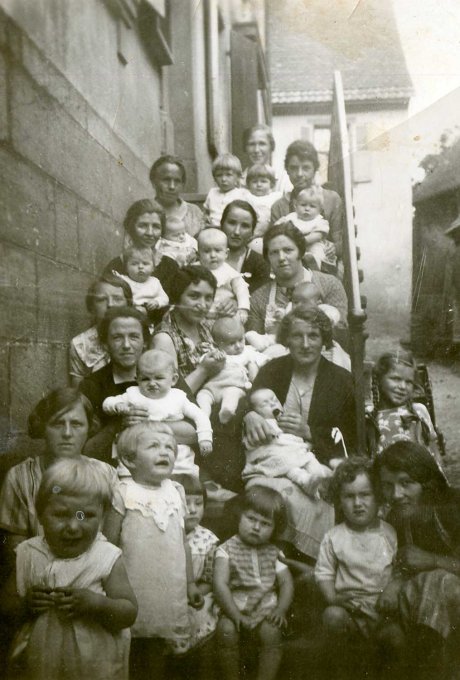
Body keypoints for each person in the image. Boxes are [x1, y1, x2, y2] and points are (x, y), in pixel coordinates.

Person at [3, 458, 137, 680]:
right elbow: (6, 608)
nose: (74, 526)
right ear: (41, 514)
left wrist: (97, 604)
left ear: (102, 517)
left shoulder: (106, 557)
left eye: (86, 516)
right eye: (61, 515)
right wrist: (26, 604)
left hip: (95, 666)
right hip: (39, 664)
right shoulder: (27, 553)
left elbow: (129, 612)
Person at [243, 307, 356, 558]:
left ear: (324, 340)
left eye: (313, 336)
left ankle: (300, 563)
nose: (305, 344)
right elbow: (249, 403)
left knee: (298, 498)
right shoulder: (273, 371)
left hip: (319, 467)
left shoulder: (341, 380)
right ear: (287, 339)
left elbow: (353, 439)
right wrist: (250, 416)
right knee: (268, 494)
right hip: (274, 464)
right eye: (297, 336)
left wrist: (311, 431)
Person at [110, 423, 203, 679]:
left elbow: (182, 542)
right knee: (133, 642)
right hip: (134, 585)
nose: (165, 453)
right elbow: (107, 544)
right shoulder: (123, 492)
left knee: (158, 646)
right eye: (154, 446)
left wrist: (190, 582)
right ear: (129, 459)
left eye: (170, 448)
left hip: (168, 587)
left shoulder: (176, 491)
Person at [0, 388, 124, 571]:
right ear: (43, 427)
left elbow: (112, 546)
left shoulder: (107, 475)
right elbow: (15, 552)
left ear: (89, 428)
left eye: (76, 424)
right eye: (58, 424)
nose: (67, 433)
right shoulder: (20, 477)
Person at [374, 442, 460, 674]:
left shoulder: (453, 505)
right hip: (428, 611)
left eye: (406, 483)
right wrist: (397, 582)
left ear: (426, 480)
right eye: (387, 486)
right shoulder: (398, 516)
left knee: (440, 581)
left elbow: (429, 567)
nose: (396, 494)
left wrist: (433, 560)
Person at [81, 307, 197, 465]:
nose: (126, 345)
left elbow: (195, 432)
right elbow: (87, 449)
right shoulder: (92, 386)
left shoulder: (165, 377)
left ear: (145, 342)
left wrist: (148, 424)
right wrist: (120, 425)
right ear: (105, 344)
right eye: (117, 337)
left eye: (134, 337)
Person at [315, 459, 399, 659]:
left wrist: (392, 590)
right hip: (349, 611)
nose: (358, 503)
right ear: (339, 501)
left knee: (396, 638)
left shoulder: (389, 533)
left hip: (383, 612)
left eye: (365, 495)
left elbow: (399, 569)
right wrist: (333, 598)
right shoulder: (334, 537)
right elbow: (324, 573)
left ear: (378, 497)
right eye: (349, 496)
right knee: (332, 616)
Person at [214, 486, 294, 680]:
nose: (256, 527)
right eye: (251, 519)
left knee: (271, 633)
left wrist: (281, 610)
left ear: (275, 528)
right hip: (234, 606)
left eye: (265, 524)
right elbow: (220, 584)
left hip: (266, 609)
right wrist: (234, 614)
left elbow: (286, 583)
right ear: (239, 516)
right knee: (226, 631)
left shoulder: (274, 552)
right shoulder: (226, 550)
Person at [103, 349, 213, 470]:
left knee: (182, 469)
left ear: (174, 379)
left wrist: (205, 439)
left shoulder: (178, 397)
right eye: (145, 379)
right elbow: (107, 402)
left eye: (159, 378)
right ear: (137, 379)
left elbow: (200, 416)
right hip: (139, 451)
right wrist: (117, 405)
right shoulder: (133, 394)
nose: (152, 383)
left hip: (172, 451)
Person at [247, 223, 348, 339]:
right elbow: (254, 343)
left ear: (301, 252)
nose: (281, 258)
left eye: (288, 250)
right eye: (274, 252)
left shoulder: (329, 284)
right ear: (267, 258)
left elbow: (340, 334)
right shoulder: (258, 299)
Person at [242, 388, 331, 496]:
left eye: (274, 400)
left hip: (295, 453)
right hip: (274, 457)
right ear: (255, 412)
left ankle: (324, 479)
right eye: (264, 404)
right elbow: (259, 441)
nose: (272, 404)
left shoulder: (285, 420)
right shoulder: (263, 424)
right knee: (290, 467)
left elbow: (293, 439)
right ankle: (306, 482)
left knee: (311, 461)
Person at [169, 475, 219, 662]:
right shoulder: (166, 536)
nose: (192, 510)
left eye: (198, 503)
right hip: (170, 596)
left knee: (202, 622)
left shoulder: (208, 540)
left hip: (198, 596)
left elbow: (209, 578)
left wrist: (194, 594)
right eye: (185, 504)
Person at [270, 140, 343, 262]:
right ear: (287, 170)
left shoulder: (331, 199)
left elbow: (341, 241)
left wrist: (334, 248)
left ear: (315, 169)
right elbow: (274, 244)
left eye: (306, 168)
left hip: (324, 263)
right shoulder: (279, 206)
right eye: (293, 168)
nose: (299, 174)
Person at [367, 351, 441, 462]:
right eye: (396, 379)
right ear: (379, 379)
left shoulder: (419, 411)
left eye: (409, 382)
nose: (402, 386)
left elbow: (434, 453)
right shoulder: (370, 416)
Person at [103, 200, 180, 304]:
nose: (150, 233)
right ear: (131, 227)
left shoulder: (170, 266)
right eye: (143, 226)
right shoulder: (116, 266)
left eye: (156, 227)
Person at [69, 273, 133, 386]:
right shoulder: (80, 344)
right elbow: (77, 392)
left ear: (128, 304)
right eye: (101, 300)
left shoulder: (143, 337)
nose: (110, 304)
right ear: (91, 307)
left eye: (117, 299)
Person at [196, 317, 262, 424]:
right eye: (231, 343)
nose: (238, 346)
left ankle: (226, 411)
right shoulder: (215, 353)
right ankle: (203, 418)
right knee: (202, 396)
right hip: (212, 388)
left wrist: (253, 366)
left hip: (233, 387)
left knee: (233, 395)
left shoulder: (248, 353)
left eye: (241, 340)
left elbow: (262, 360)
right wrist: (214, 357)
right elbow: (203, 362)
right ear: (218, 344)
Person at [197, 228, 250, 325]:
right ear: (198, 254)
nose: (213, 255)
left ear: (226, 253)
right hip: (200, 316)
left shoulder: (229, 272)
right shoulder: (194, 270)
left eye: (217, 250)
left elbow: (241, 290)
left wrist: (243, 308)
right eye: (207, 251)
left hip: (225, 314)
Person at [276, 185, 333, 271]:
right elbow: (278, 226)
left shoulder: (320, 221)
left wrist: (301, 241)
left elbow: (318, 235)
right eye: (303, 205)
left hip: (311, 244)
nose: (307, 208)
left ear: (320, 210)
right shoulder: (291, 217)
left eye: (312, 206)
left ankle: (315, 266)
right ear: (295, 206)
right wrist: (278, 224)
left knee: (318, 251)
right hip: (293, 244)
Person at [220, 200, 270, 294]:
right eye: (232, 223)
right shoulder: (206, 256)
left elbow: (259, 298)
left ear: (252, 232)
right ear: (222, 224)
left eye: (245, 226)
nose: (237, 232)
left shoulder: (259, 264)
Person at [149, 155, 205, 238]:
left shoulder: (194, 213)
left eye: (177, 181)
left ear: (183, 185)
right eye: (166, 180)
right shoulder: (145, 212)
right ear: (154, 182)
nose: (172, 186)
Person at [116, 245, 169, 316]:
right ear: (126, 268)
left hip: (149, 312)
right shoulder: (122, 280)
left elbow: (164, 298)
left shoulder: (154, 282)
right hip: (127, 312)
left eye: (145, 263)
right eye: (134, 264)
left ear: (153, 268)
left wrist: (157, 302)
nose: (140, 267)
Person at [203, 153, 251, 227]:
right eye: (219, 175)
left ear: (238, 177)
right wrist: (206, 217)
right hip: (213, 228)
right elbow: (206, 211)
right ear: (214, 178)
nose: (223, 179)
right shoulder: (212, 192)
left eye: (228, 175)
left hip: (233, 229)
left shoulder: (243, 194)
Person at [245, 164, 282, 248]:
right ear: (248, 184)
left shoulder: (276, 196)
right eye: (254, 181)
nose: (259, 185)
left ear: (271, 184)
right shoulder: (248, 197)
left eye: (263, 181)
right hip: (254, 235)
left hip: (272, 232)